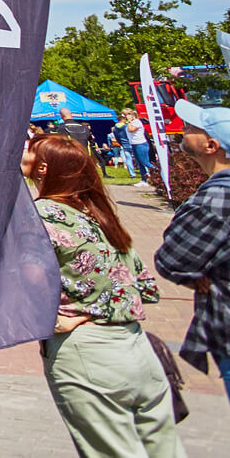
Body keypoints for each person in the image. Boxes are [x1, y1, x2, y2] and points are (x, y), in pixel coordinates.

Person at [22, 132, 184, 456]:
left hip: (88, 355)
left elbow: (20, 287)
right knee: (165, 450)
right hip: (137, 348)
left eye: (28, 148)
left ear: (43, 167)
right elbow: (145, 287)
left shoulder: (40, 215)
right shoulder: (98, 213)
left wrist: (55, 321)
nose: (20, 150)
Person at [156, 99, 230, 403]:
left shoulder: (219, 195)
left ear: (211, 145)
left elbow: (171, 258)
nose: (184, 129)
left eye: (192, 127)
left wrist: (192, 273)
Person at [125, 107, 153, 180]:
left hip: (140, 144)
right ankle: (144, 179)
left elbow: (131, 130)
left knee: (145, 162)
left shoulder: (137, 122)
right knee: (139, 163)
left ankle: (158, 171)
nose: (125, 117)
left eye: (125, 115)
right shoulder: (131, 123)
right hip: (134, 144)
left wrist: (129, 122)